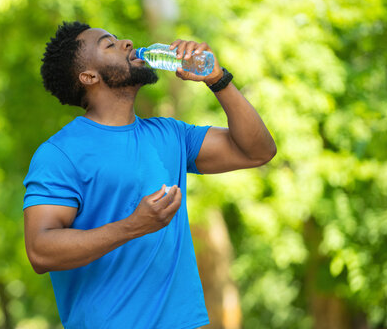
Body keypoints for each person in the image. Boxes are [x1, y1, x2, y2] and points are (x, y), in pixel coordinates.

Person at [22, 21, 276, 329]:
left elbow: (258, 151)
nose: (127, 42)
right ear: (88, 77)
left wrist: (218, 79)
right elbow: (40, 251)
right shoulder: (60, 154)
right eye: (109, 44)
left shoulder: (170, 134)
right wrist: (132, 226)